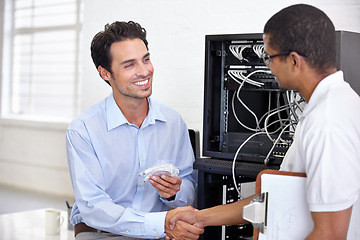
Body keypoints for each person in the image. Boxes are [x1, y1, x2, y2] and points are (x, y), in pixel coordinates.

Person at [168, 4, 360, 240]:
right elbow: (274, 199)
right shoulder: (331, 106)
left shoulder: (328, 122)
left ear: (293, 60)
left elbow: (329, 234)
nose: (268, 66)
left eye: (270, 57)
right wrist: (200, 218)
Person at [66, 21, 203, 240]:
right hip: (102, 234)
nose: (144, 71)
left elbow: (190, 188)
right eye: (129, 65)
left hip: (162, 233)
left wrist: (175, 193)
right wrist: (159, 224)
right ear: (105, 73)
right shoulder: (83, 130)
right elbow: (93, 205)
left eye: (146, 59)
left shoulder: (173, 122)